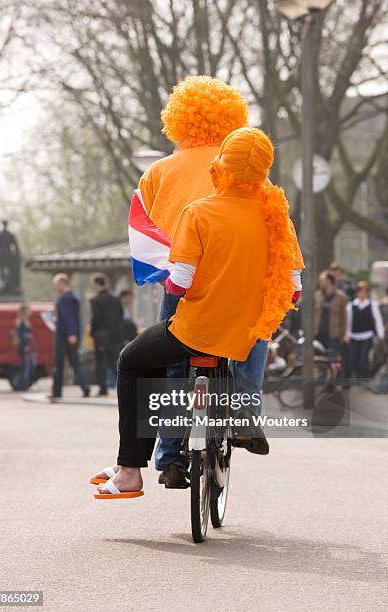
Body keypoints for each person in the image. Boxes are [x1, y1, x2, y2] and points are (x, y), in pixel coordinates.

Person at [92, 127, 302, 498]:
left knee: (134, 361)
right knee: (252, 345)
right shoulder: (276, 217)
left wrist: (175, 281)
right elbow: (293, 284)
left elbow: (180, 282)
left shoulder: (199, 211)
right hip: (246, 331)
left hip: (198, 327)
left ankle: (134, 469)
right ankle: (245, 414)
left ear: (221, 166)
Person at [50, 273, 90, 401]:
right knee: (75, 363)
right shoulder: (74, 297)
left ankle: (56, 392)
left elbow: (68, 318)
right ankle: (85, 386)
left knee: (58, 364)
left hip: (63, 336)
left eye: (56, 284)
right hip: (72, 335)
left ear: (62, 283)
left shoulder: (64, 299)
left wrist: (71, 334)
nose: (55, 287)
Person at [90, 274, 124, 396]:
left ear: (96, 284)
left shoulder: (96, 300)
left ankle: (103, 389)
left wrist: (92, 332)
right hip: (115, 336)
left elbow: (96, 318)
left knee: (100, 364)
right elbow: (121, 317)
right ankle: (123, 387)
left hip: (101, 336)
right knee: (114, 363)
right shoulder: (115, 299)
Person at [345, 281, 385, 381]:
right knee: (352, 358)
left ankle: (364, 379)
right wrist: (347, 334)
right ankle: (355, 378)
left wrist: (381, 336)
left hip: (367, 335)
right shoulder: (351, 305)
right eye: (360, 291)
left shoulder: (372, 305)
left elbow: (378, 321)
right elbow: (348, 321)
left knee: (363, 359)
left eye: (364, 291)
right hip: (354, 336)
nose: (362, 294)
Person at [314, 271, 347, 353]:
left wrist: (343, 334)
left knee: (332, 359)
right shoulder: (317, 296)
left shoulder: (340, 297)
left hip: (334, 335)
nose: (320, 283)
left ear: (329, 281)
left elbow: (344, 317)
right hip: (318, 334)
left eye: (322, 280)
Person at [13, 304, 36, 391]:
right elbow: (21, 335)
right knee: (26, 366)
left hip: (29, 346)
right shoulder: (20, 321)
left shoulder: (26, 320)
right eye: (28, 310)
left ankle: (23, 384)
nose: (30, 312)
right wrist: (25, 346)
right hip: (24, 347)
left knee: (29, 365)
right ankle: (21, 386)